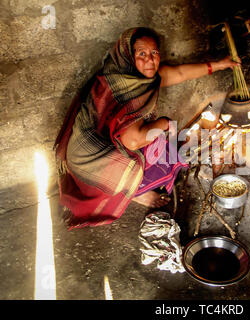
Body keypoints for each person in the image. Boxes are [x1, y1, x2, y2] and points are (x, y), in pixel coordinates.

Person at [54, 27, 239, 229]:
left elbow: (180, 72)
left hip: (105, 142)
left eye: (154, 53)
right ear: (127, 56)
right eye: (142, 54)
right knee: (155, 145)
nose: (150, 60)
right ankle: (135, 193)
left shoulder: (141, 77)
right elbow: (131, 141)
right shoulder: (122, 85)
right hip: (90, 156)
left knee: (160, 144)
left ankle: (134, 183)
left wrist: (220, 64)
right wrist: (165, 123)